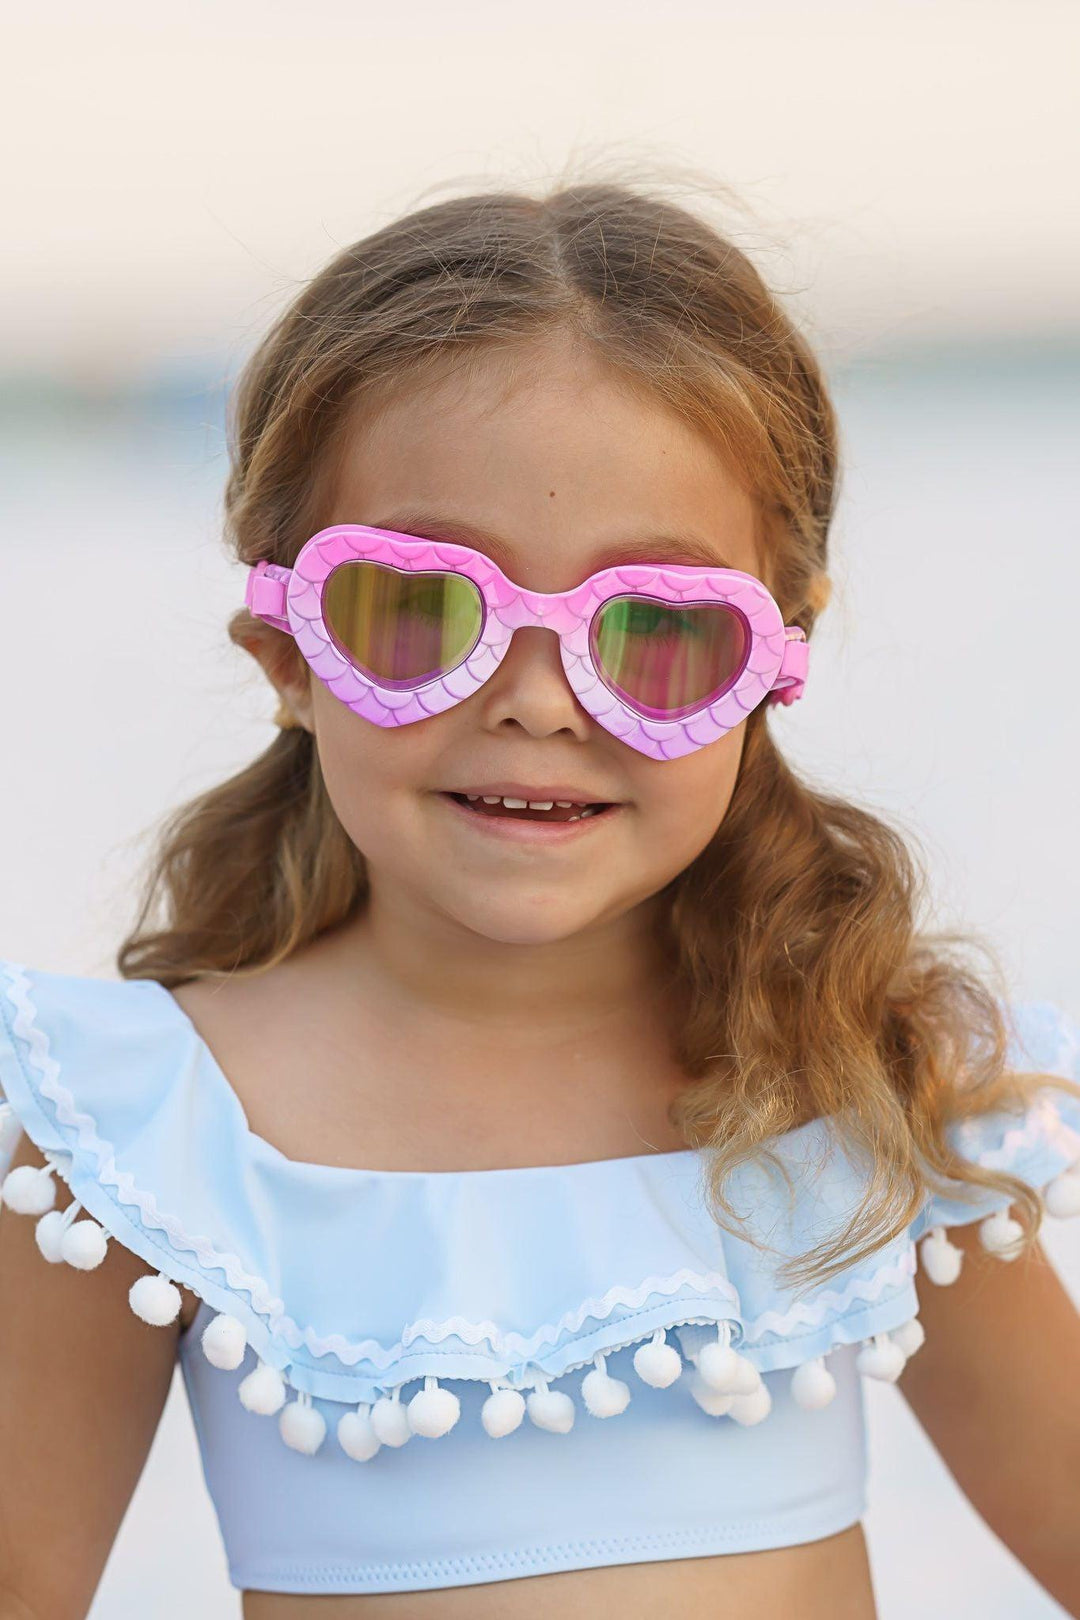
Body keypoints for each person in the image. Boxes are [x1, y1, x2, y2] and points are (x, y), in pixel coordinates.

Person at [2, 174, 1079, 1620]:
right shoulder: (138, 1136)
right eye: (421, 609)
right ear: (289, 653)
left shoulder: (866, 1081)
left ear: (773, 666)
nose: (537, 701)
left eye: (660, 633)